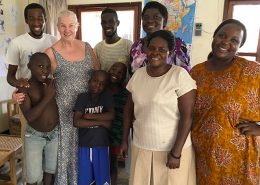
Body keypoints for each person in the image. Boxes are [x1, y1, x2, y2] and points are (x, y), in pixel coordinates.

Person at [121, 30, 197, 185]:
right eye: (152, 48)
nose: (156, 53)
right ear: (146, 50)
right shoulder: (138, 75)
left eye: (162, 50)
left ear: (170, 52)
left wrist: (176, 153)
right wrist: (124, 141)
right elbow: (128, 110)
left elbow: (187, 116)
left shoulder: (179, 76)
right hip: (141, 145)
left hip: (171, 149)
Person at [190, 19, 260, 185]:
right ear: (214, 37)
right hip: (203, 156)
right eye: (222, 36)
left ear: (239, 46)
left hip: (240, 158)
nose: (226, 42)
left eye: (234, 40)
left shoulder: (252, 71)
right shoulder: (196, 72)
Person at [45, 10, 99, 185]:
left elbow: (98, 76)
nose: (67, 29)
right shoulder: (51, 52)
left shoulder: (87, 47)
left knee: (87, 148)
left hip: (88, 110)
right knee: (66, 152)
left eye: (71, 25)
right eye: (62, 25)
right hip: (65, 112)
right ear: (58, 26)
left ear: (77, 26)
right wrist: (21, 90)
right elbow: (41, 80)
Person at [18, 52, 58, 185]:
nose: (44, 70)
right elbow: (29, 116)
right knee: (33, 177)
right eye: (40, 66)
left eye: (47, 67)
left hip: (54, 134)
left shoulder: (50, 84)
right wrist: (47, 97)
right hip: (34, 136)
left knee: (50, 171)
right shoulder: (24, 88)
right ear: (29, 66)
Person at [73, 70, 115, 185]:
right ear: (89, 81)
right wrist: (102, 122)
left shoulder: (106, 96)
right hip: (84, 145)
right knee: (85, 180)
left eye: (102, 83)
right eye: (95, 81)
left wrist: (88, 116)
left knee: (103, 180)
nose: (98, 85)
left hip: (102, 145)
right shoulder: (83, 97)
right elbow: (77, 122)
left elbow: (111, 115)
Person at [129, 1, 190, 75]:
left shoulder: (177, 45)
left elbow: (185, 75)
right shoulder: (137, 46)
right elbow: (132, 74)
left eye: (156, 17)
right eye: (146, 17)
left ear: (164, 22)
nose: (150, 20)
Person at [6, 3, 57, 89]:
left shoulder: (54, 41)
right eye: (31, 19)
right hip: (28, 94)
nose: (36, 23)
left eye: (40, 19)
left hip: (49, 92)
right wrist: (20, 84)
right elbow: (10, 77)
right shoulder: (16, 43)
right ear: (26, 20)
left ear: (45, 20)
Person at [107, 62, 128, 185]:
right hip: (100, 134)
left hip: (116, 136)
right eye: (114, 68)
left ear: (124, 76)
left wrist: (123, 140)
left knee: (112, 164)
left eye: (120, 72)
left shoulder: (125, 93)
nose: (116, 73)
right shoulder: (101, 88)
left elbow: (126, 117)